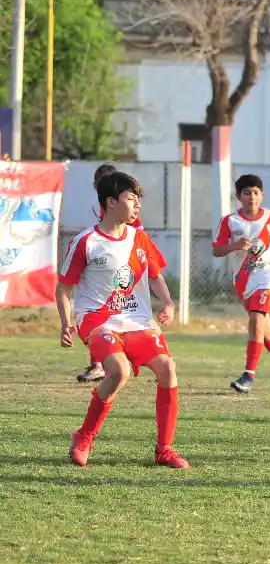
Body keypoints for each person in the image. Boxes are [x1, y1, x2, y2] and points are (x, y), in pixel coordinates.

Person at [56, 171, 189, 468]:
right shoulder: (85, 241)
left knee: (167, 367)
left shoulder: (139, 237)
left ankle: (164, 450)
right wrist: (67, 323)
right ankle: (84, 436)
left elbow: (154, 275)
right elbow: (64, 287)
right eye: (132, 199)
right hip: (97, 320)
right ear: (112, 202)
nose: (137, 205)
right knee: (119, 371)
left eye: (138, 200)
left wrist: (168, 302)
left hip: (136, 320)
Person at [212, 174, 270, 393]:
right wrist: (234, 245)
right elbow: (217, 250)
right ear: (238, 196)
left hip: (267, 274)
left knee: (256, 320)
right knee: (263, 328)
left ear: (262, 195)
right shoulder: (230, 221)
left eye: (256, 192)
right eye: (247, 193)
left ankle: (248, 376)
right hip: (243, 278)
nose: (252, 197)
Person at [77, 163, 146, 384]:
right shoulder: (94, 207)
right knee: (95, 312)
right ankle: (99, 363)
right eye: (101, 183)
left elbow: (136, 235)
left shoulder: (126, 208)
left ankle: (122, 359)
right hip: (99, 264)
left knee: (114, 314)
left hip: (120, 267)